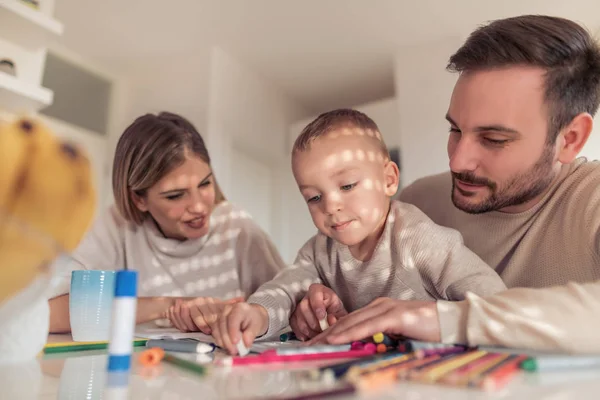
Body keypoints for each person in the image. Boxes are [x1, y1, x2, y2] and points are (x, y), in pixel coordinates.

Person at [309, 15, 600, 354]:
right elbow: (369, 299)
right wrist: (320, 303)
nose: (457, 161)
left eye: (493, 139)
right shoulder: (419, 202)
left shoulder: (591, 199)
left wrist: (449, 319)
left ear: (570, 139)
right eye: (455, 130)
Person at [209, 109, 507, 354]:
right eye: (314, 197)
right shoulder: (318, 250)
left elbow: (493, 298)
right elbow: (285, 287)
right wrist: (258, 313)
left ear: (389, 179)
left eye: (347, 186)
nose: (330, 205)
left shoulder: (416, 237)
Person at [48, 112, 286, 333]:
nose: (200, 207)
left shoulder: (237, 228)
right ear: (138, 199)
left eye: (205, 184)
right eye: (175, 195)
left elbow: (286, 305)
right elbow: (46, 313)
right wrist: (170, 306)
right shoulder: (117, 227)